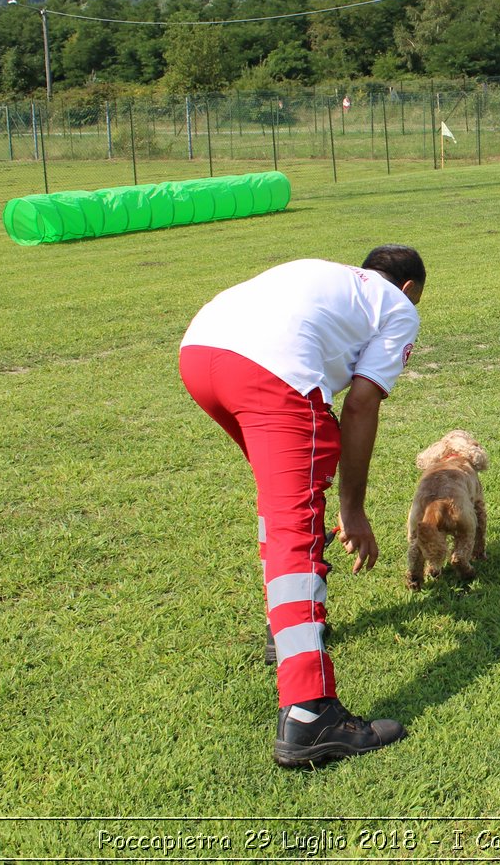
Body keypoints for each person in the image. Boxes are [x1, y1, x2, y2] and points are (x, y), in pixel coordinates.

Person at [178, 244, 425, 767]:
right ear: (407, 289)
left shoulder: (325, 273)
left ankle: (284, 632)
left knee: (282, 503)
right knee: (297, 527)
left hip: (201, 352)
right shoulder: (400, 307)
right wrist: (353, 508)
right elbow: (360, 405)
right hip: (272, 372)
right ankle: (310, 714)